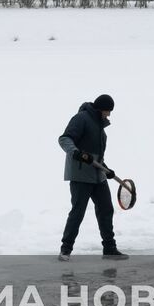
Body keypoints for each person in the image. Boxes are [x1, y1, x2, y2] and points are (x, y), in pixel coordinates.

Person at [57, 94, 125, 260]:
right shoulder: (81, 119)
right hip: (80, 175)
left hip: (97, 176)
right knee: (78, 212)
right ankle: (65, 250)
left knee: (106, 209)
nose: (108, 115)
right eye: (107, 111)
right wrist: (76, 153)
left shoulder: (101, 129)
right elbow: (64, 139)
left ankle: (109, 248)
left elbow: (97, 158)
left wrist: (107, 170)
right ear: (100, 108)